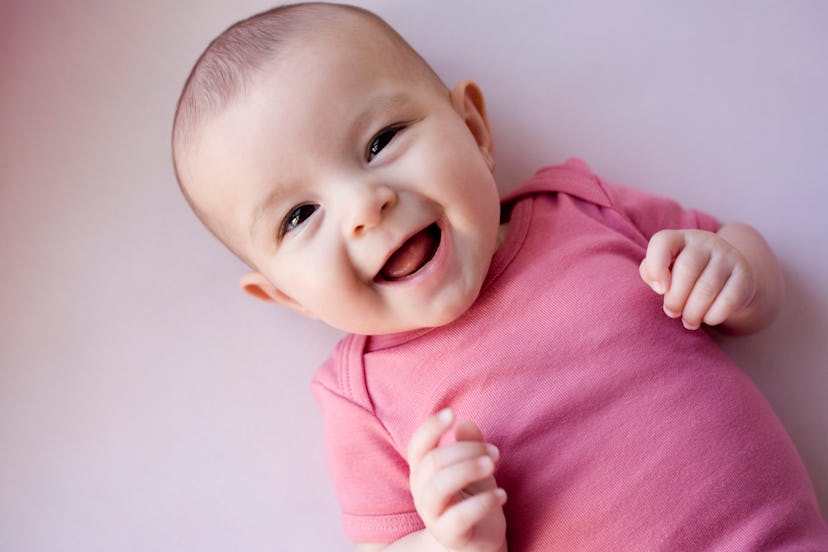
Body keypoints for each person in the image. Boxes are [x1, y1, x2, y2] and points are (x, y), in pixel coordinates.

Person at [171, 3, 828, 550]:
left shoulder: (579, 207)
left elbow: (742, 263)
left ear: (473, 127)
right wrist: (445, 541)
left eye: (380, 142)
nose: (365, 207)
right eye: (300, 215)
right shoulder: (361, 395)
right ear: (286, 296)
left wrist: (734, 272)